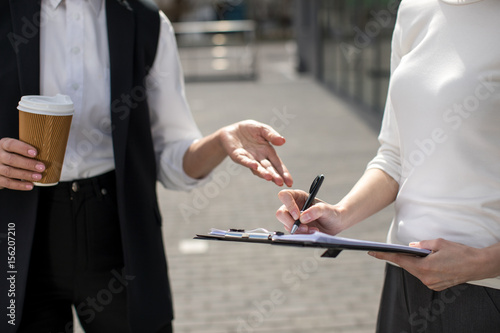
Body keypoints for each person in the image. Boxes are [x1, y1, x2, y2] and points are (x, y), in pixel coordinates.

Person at [0, 1, 293, 332]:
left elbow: (171, 157)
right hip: (16, 233)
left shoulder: (145, 21)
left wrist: (220, 141)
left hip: (121, 232)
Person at [276, 0, 500, 332]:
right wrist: (339, 215)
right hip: (404, 281)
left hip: (486, 293)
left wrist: (484, 263)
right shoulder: (415, 8)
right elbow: (395, 155)